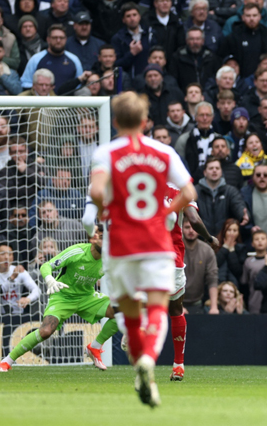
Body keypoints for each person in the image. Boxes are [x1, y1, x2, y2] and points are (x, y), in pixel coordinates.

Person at [89, 91, 196, 407]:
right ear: (145, 121)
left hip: (121, 244)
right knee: (159, 307)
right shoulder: (163, 152)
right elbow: (188, 191)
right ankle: (150, 358)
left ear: (116, 121)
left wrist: (104, 211)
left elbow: (96, 190)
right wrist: (164, 212)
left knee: (131, 314)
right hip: (157, 244)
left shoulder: (106, 153)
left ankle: (141, 367)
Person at [0, 227, 120, 372]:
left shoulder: (110, 260)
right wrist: (50, 280)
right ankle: (7, 360)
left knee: (120, 311)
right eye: (101, 237)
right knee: (46, 331)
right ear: (93, 239)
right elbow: (47, 265)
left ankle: (95, 346)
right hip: (62, 296)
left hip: (87, 297)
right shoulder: (78, 252)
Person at [162, 183, 218, 380]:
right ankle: (178, 365)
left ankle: (133, 326)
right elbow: (193, 220)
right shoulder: (181, 189)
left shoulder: (142, 181)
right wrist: (209, 238)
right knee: (176, 310)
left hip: (145, 254)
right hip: (171, 258)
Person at [218, 3, 267, 80]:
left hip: (262, 80)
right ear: (243, 17)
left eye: (254, 15)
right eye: (248, 16)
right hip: (240, 82)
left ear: (260, 17)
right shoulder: (232, 38)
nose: (251, 18)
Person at [0, 242, 40, 316]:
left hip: (17, 316)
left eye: (10, 254)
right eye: (3, 254)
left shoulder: (20, 271)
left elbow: (37, 290)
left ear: (13, 257)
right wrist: (12, 277)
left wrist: (28, 299)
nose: (6, 257)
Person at [20, 24, 83, 92]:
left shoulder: (74, 60)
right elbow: (26, 83)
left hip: (68, 101)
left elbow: (79, 86)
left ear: (66, 39)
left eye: (61, 38)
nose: (58, 41)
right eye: (55, 38)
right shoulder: (36, 59)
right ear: (48, 39)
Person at [195, 157, 248, 237]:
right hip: (201, 239)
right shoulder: (195, 191)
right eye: (211, 168)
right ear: (205, 172)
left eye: (217, 168)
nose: (214, 170)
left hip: (223, 239)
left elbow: (238, 205)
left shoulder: (230, 191)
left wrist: (243, 215)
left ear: (221, 172)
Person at [111, 3, 157, 77]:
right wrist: (131, 53)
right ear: (123, 20)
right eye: (128, 16)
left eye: (134, 15)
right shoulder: (118, 38)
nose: (132, 19)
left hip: (149, 78)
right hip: (128, 80)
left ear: (139, 16)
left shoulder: (150, 34)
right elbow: (116, 64)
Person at [240, 230, 267, 313]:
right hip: (254, 301)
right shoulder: (248, 261)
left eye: (263, 239)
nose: (260, 241)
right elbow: (244, 282)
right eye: (256, 239)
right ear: (252, 243)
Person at [216, 218, 248, 290]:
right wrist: (225, 247)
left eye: (235, 230)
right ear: (224, 231)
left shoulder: (242, 248)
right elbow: (215, 263)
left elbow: (238, 271)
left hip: (234, 285)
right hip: (217, 283)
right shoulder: (215, 245)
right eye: (229, 230)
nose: (231, 233)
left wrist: (231, 250)